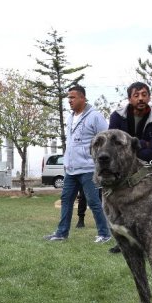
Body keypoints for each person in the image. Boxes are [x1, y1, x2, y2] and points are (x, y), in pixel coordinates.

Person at [43, 85, 111, 242]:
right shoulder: (70, 117)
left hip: (88, 168)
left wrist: (100, 163)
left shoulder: (95, 116)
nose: (69, 101)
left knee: (94, 202)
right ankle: (61, 233)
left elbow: (107, 140)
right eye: (68, 98)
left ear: (82, 98)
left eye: (72, 97)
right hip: (71, 169)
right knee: (66, 200)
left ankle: (104, 234)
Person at [107, 81, 152, 253]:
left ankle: (147, 239)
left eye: (144, 94)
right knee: (118, 203)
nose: (141, 98)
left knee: (146, 205)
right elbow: (112, 146)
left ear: (149, 97)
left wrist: (131, 145)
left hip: (146, 170)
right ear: (129, 98)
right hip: (120, 170)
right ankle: (122, 240)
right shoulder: (117, 117)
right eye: (136, 95)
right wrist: (141, 144)